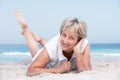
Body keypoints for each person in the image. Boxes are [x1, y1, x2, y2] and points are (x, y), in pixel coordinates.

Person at [15, 11, 92, 77]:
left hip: (53, 48)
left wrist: (77, 51)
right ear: (60, 33)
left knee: (55, 47)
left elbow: (85, 71)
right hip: (50, 52)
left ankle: (40, 39)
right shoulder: (53, 45)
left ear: (79, 40)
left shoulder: (84, 44)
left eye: (71, 38)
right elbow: (31, 71)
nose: (65, 40)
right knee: (36, 54)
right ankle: (25, 29)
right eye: (64, 35)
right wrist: (58, 70)